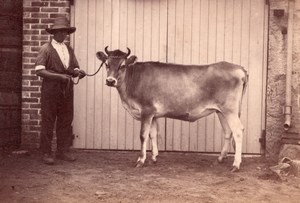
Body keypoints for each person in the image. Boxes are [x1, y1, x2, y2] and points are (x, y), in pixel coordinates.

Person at [35, 17, 86, 165]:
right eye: (59, 32)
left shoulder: (68, 49)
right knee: (48, 120)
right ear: (54, 33)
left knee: (65, 120)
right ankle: (46, 153)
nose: (63, 34)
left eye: (65, 32)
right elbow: (39, 71)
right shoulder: (46, 48)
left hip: (67, 89)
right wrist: (59, 77)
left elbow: (72, 69)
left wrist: (78, 73)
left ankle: (62, 151)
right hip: (50, 90)